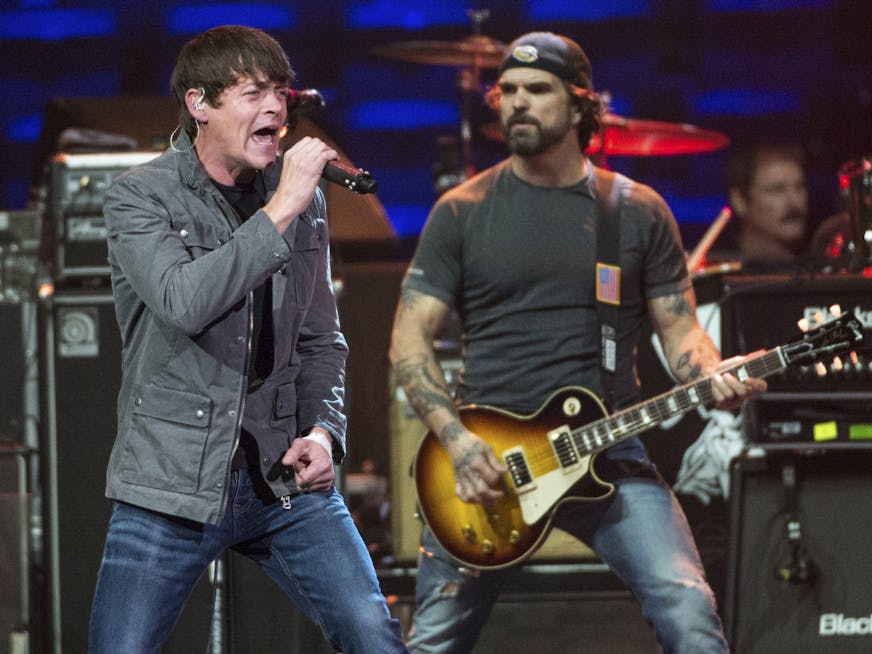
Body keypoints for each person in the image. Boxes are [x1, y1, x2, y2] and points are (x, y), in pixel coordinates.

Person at [389, 32, 766, 653]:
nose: (517, 103)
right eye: (507, 90)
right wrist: (455, 441)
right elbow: (408, 342)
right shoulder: (461, 211)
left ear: (580, 105)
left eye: (537, 90)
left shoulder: (636, 211)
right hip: (488, 465)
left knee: (688, 608)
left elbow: (681, 335)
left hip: (608, 452)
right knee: (434, 640)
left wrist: (712, 372)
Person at [88, 25, 407, 653]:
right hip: (170, 483)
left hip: (276, 479)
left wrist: (323, 431)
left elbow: (322, 339)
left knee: (373, 633)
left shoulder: (303, 204)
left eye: (280, 94)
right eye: (252, 93)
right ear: (199, 104)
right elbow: (185, 301)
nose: (274, 109)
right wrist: (282, 208)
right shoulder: (139, 197)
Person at [712, 142, 810, 267]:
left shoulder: (820, 269)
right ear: (739, 201)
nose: (794, 202)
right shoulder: (718, 272)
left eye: (799, 187)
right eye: (777, 190)